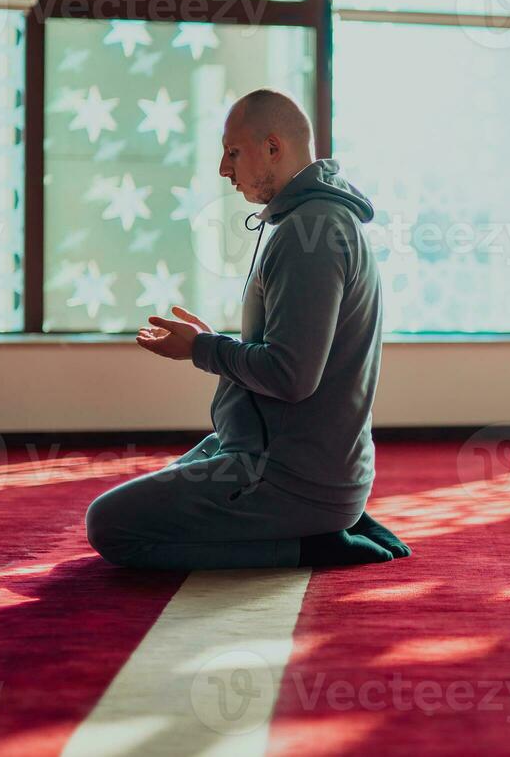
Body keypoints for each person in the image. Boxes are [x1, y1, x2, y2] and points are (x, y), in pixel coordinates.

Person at [85, 89, 410, 570]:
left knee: (112, 527)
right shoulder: (306, 221)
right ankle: (332, 519)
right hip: (278, 457)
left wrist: (203, 349)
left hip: (286, 477)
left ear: (273, 148)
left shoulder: (309, 234)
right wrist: (212, 343)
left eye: (233, 152)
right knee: (166, 486)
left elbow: (292, 376)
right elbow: (288, 354)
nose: (223, 168)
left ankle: (312, 542)